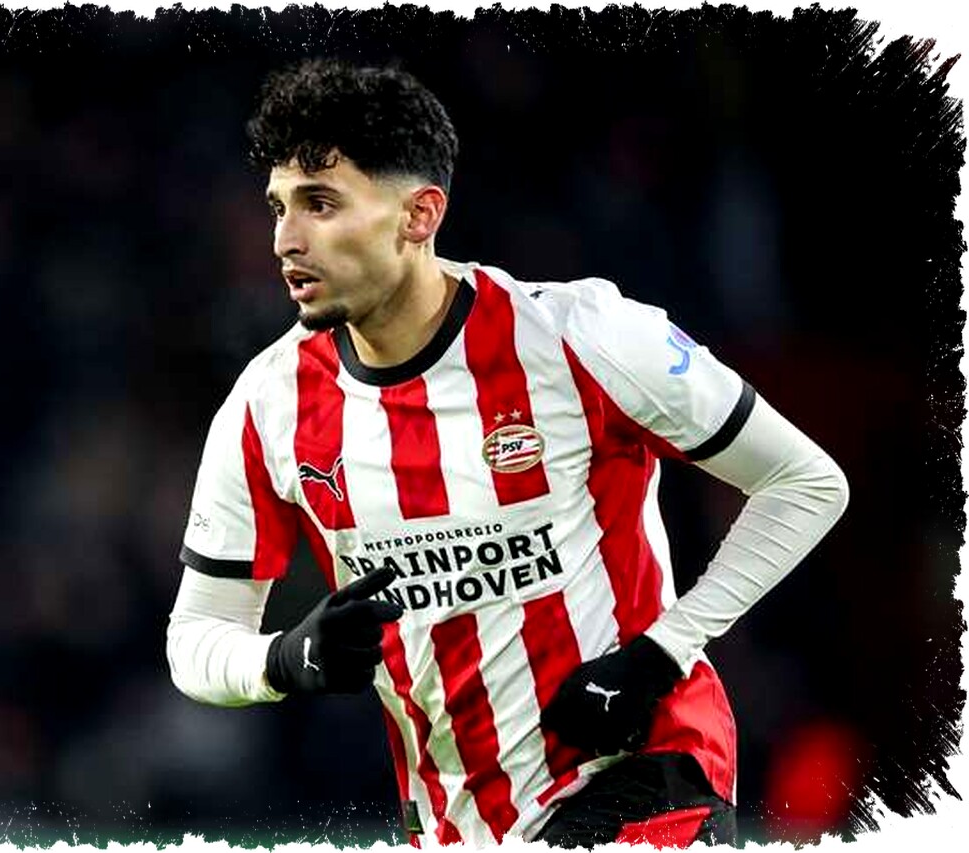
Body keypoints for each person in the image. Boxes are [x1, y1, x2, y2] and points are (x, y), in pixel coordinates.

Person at [165, 58, 849, 848]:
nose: (286, 239)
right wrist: (284, 658)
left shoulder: (581, 337)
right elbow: (194, 641)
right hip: (455, 820)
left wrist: (662, 652)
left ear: (419, 215)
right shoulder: (268, 404)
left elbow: (806, 480)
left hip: (641, 776)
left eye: (321, 204)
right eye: (279, 207)